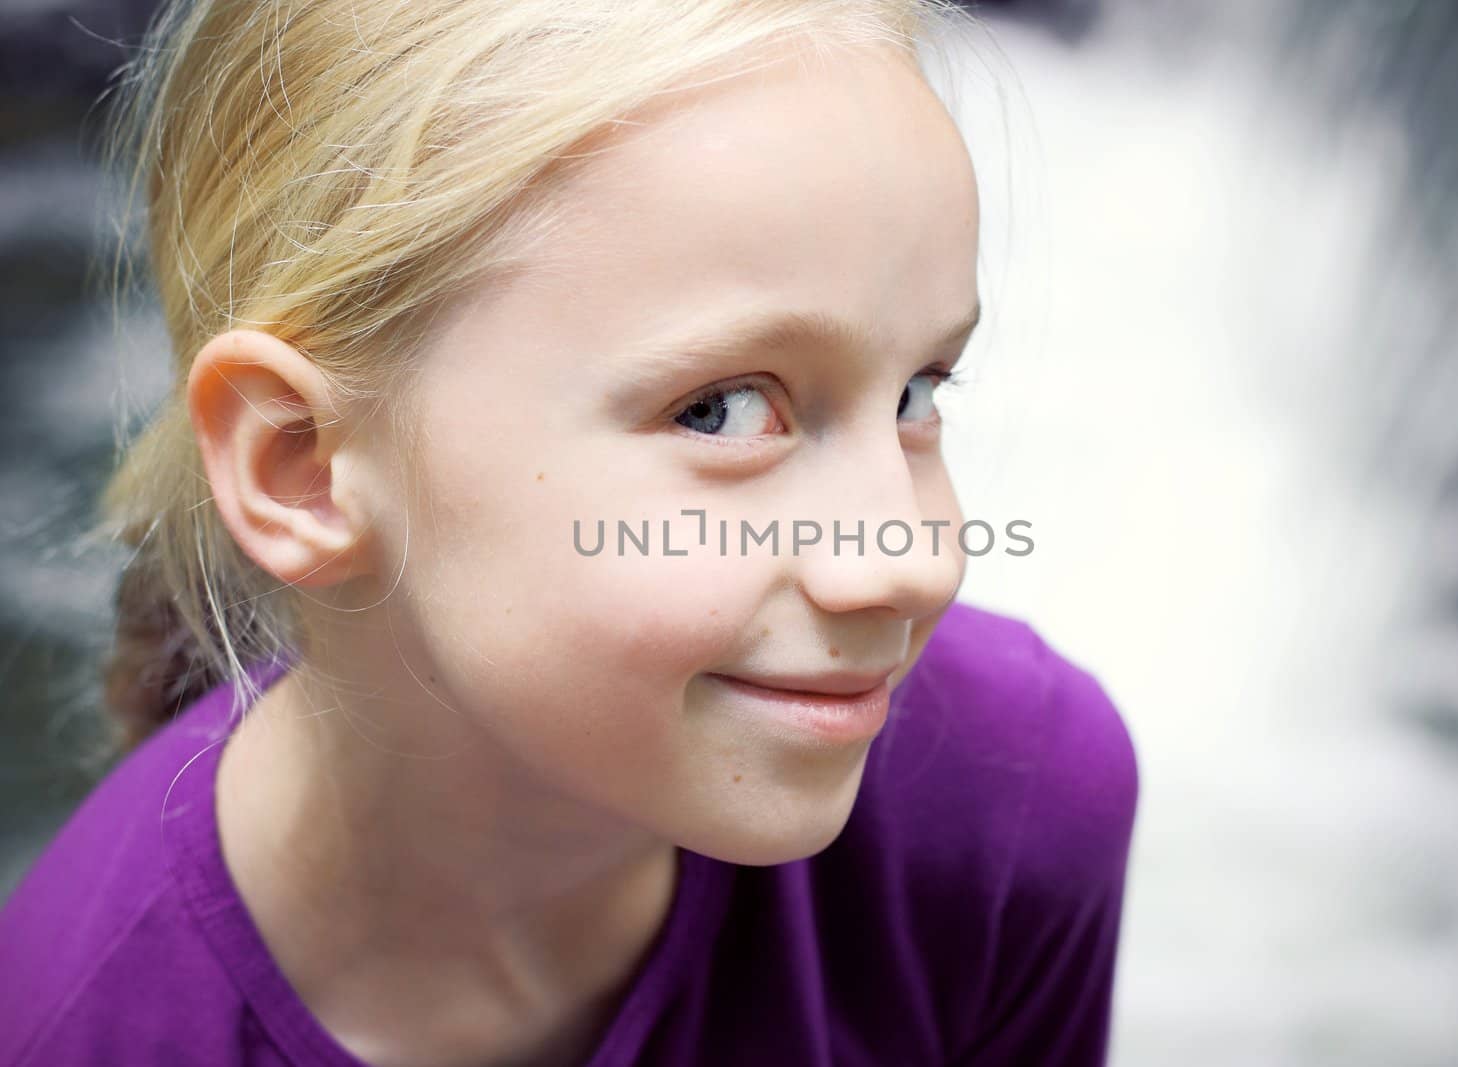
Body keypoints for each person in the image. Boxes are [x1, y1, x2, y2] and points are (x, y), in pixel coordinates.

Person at [0, 0, 1140, 1063]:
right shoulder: (76, 1026)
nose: (913, 560)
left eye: (916, 395)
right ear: (300, 463)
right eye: (722, 409)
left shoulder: (1011, 813)